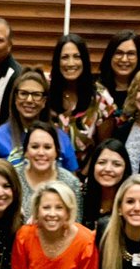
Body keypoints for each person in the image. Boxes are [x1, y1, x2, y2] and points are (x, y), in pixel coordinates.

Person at [47, 33, 116, 174]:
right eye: (65, 57)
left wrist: (82, 178)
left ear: (85, 60)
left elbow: (103, 148)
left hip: (84, 177)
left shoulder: (100, 98)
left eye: (77, 57)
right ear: (57, 61)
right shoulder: (44, 91)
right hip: (46, 174)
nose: (71, 63)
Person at [0, 68, 79, 172]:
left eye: (36, 95)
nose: (29, 100)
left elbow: (73, 180)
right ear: (15, 98)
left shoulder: (61, 137)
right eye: (23, 94)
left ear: (44, 101)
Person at [15, 122, 82, 222]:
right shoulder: (14, 178)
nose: (41, 153)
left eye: (47, 147)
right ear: (26, 152)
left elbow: (76, 225)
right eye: (35, 147)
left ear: (56, 152)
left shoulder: (71, 182)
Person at [79, 138, 131, 228]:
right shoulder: (80, 196)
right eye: (102, 163)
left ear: (125, 169)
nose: (107, 169)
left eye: (116, 164)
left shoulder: (132, 201)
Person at [97, 30, 140, 118]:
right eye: (119, 53)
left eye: (130, 54)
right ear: (109, 56)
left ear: (139, 57)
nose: (124, 59)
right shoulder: (95, 90)